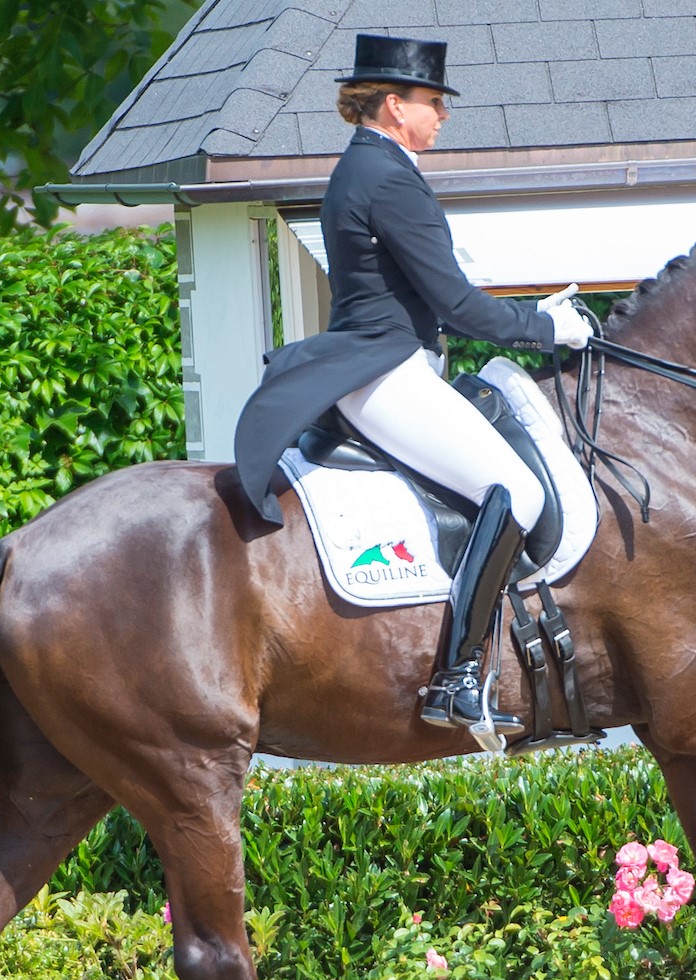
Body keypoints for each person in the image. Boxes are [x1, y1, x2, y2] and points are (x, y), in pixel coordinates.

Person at [229, 34, 591, 744]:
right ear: (395, 106)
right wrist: (546, 326)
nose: (442, 116)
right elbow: (458, 304)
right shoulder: (388, 178)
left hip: (391, 365)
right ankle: (456, 679)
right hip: (388, 371)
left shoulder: (368, 168)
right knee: (518, 492)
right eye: (433, 103)